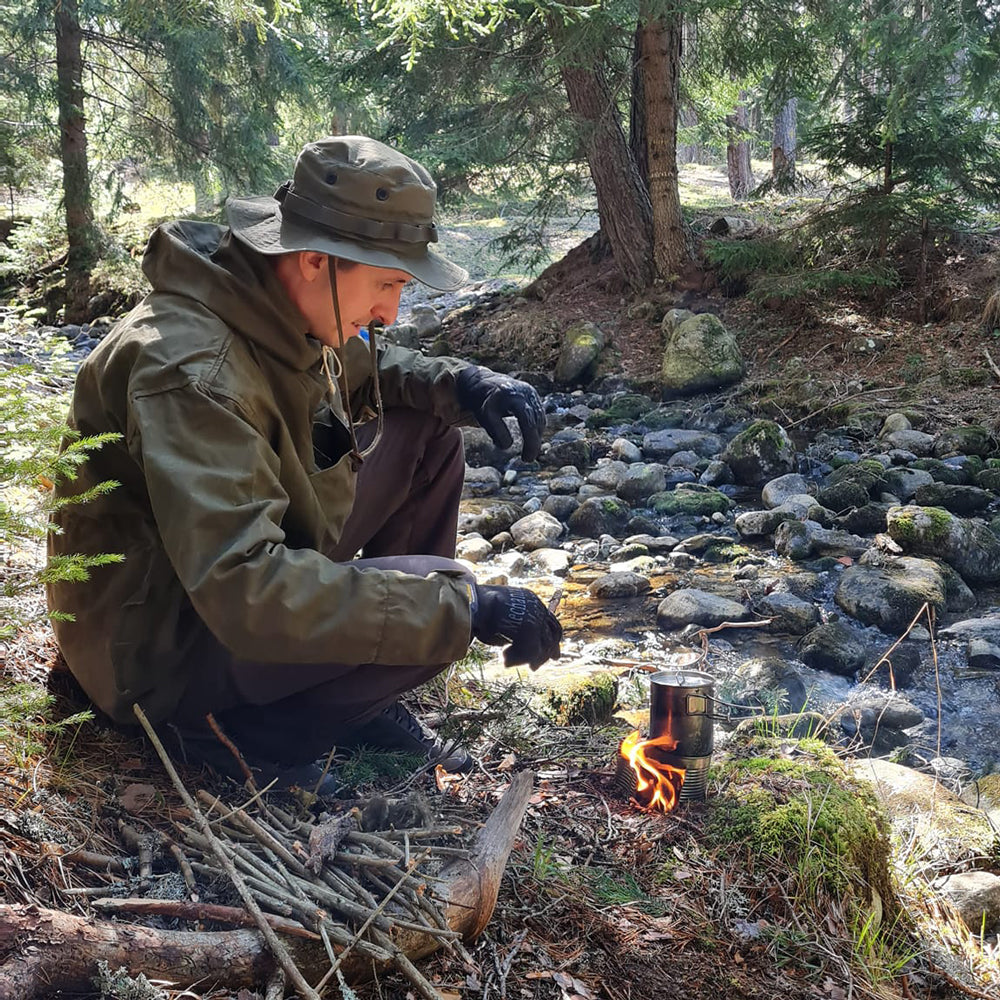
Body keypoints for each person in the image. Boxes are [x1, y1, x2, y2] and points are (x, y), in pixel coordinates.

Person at [47, 135, 563, 792]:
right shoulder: (193, 372)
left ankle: (358, 693)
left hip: (210, 589)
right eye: (385, 284)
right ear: (317, 259)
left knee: (427, 431)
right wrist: (463, 612)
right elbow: (247, 590)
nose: (391, 312)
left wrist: (462, 384)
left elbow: (365, 368)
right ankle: (233, 732)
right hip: (158, 651)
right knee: (444, 594)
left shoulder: (270, 297)